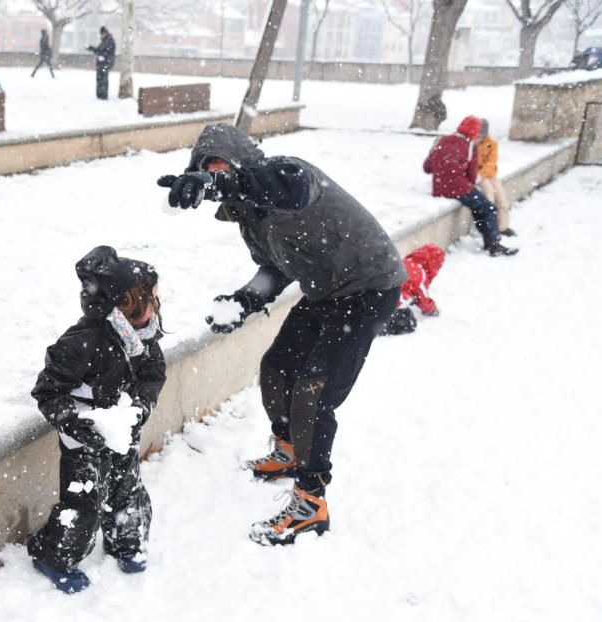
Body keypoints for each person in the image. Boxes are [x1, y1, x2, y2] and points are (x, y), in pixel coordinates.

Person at [157, 124, 406, 546]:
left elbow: (280, 186)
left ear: (242, 164)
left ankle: (310, 503)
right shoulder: (249, 216)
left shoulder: (289, 175)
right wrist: (244, 301)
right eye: (206, 167)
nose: (215, 173)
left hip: (368, 288)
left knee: (314, 390)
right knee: (277, 367)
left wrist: (221, 183)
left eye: (222, 166)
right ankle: (288, 449)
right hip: (326, 290)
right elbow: (276, 268)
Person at [27, 246, 166, 593]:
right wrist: (77, 424)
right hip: (84, 442)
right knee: (83, 505)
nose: (157, 305)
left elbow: (152, 375)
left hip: (123, 431)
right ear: (125, 305)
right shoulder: (82, 344)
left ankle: (127, 542)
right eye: (150, 298)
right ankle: (54, 556)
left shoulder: (145, 336)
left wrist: (140, 407)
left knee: (127, 491)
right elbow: (48, 392)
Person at [423, 115, 518, 257]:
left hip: (439, 188)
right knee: (488, 208)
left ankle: (488, 236)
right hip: (460, 188)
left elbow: (427, 167)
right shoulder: (470, 145)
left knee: (479, 207)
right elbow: (472, 176)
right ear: (474, 132)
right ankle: (493, 243)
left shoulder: (441, 140)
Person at [382, 244, 447, 335]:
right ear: (434, 263)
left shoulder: (405, 262)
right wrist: (433, 310)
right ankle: (382, 327)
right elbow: (423, 298)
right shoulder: (419, 272)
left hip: (381, 296)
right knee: (409, 324)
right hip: (393, 304)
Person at [477, 118, 515, 237]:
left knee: (502, 201)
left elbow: (491, 162)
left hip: (490, 174)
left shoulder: (492, 143)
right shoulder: (470, 143)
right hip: (477, 175)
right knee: (489, 197)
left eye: (481, 134)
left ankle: (503, 227)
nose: (479, 137)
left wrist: (484, 173)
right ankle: (489, 226)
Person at [86, 26, 115, 100]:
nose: (101, 36)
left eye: (101, 34)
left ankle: (103, 95)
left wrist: (103, 56)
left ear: (104, 33)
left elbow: (105, 52)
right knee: (100, 79)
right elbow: (99, 50)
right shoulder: (105, 40)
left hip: (105, 63)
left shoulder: (108, 40)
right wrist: (92, 48)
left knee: (103, 79)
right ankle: (100, 94)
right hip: (102, 63)